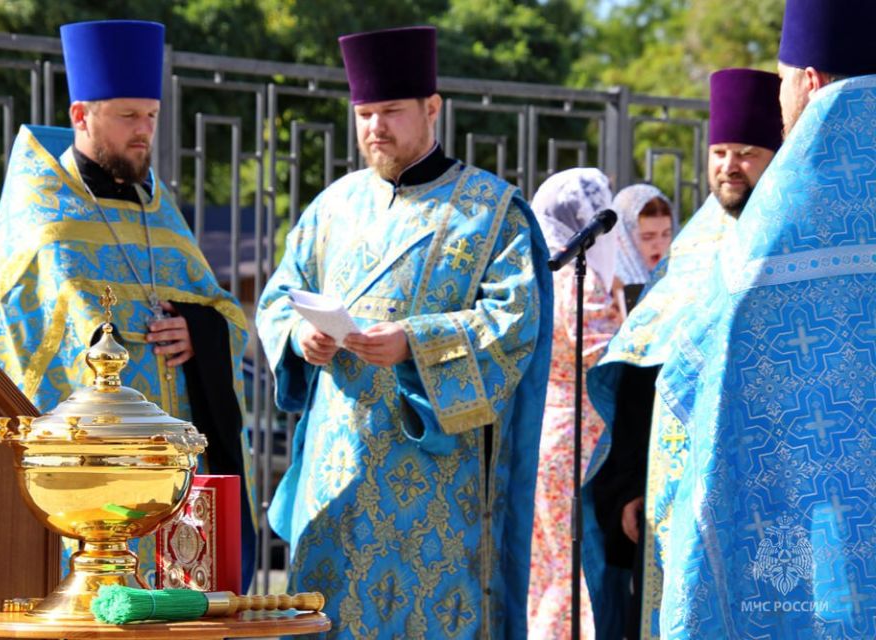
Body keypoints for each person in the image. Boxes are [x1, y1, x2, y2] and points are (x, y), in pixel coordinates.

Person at [255, 26, 553, 640]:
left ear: (432, 108)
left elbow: (515, 322)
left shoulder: (491, 211)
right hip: (334, 476)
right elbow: (280, 296)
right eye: (365, 113)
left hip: (436, 485)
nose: (375, 128)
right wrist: (298, 338)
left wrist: (414, 343)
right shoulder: (331, 208)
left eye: (390, 111)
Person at [0, 19, 255, 590]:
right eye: (128, 116)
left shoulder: (160, 211)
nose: (144, 132)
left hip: (174, 476)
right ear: (82, 116)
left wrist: (196, 331)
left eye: (151, 116)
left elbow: (222, 309)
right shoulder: (41, 210)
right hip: (88, 481)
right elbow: (27, 338)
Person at [649, 0, 876, 636]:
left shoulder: (785, 213)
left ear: (810, 79)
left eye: (780, 81)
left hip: (817, 526)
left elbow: (698, 372)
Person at [584, 68, 783, 640]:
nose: (729, 166)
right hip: (678, 485)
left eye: (746, 153)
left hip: (770, 483)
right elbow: (640, 373)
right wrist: (627, 486)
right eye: (720, 152)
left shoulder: (796, 240)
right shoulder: (689, 250)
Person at [525, 168, 628, 640]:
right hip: (581, 438)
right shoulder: (580, 280)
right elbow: (604, 353)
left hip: (549, 433)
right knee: (574, 570)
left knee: (549, 569)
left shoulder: (542, 276)